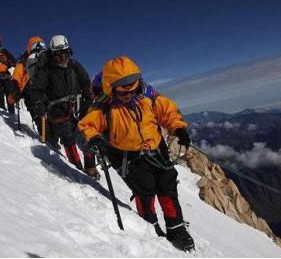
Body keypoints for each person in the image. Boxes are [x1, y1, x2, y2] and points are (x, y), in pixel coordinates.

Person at [77, 56, 195, 251]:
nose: (129, 96)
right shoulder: (104, 107)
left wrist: (178, 128)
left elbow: (167, 111)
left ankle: (176, 228)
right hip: (127, 158)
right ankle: (151, 228)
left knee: (167, 187)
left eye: (133, 91)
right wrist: (94, 138)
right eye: (123, 94)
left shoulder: (147, 97)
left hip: (157, 150)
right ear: (111, 89)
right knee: (145, 191)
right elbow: (85, 127)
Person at [29, 34, 98, 179]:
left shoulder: (75, 65)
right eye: (58, 55)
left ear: (69, 52)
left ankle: (90, 167)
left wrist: (88, 100)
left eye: (65, 54)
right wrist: (38, 103)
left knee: (86, 135)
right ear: (52, 55)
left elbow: (86, 83)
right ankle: (77, 169)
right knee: (68, 138)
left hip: (78, 106)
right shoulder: (45, 70)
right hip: (58, 110)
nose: (62, 58)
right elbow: (36, 90)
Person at [9, 36, 47, 129]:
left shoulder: (47, 61)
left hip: (45, 91)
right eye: (36, 46)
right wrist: (15, 90)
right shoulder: (22, 63)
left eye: (42, 46)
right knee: (39, 116)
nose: (39, 49)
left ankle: (51, 139)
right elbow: (16, 78)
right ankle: (48, 139)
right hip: (30, 91)